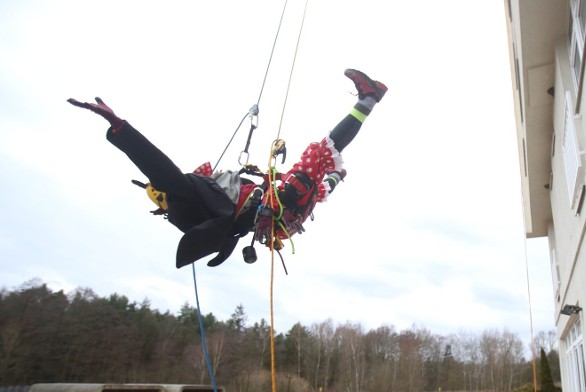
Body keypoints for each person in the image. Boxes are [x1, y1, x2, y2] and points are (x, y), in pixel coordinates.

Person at [68, 69, 387, 268]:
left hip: (274, 212)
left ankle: (344, 159)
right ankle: (369, 97)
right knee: (319, 159)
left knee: (319, 183)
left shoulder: (202, 193)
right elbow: (160, 169)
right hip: (273, 209)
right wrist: (120, 127)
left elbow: (224, 228)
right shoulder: (182, 195)